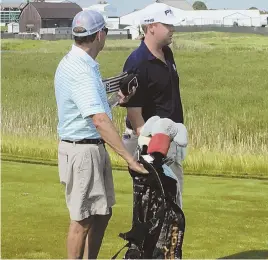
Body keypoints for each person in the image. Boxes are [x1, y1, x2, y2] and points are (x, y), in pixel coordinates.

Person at [54, 10, 147, 259]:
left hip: (87, 147)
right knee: (82, 219)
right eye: (105, 31)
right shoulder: (81, 70)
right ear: (99, 35)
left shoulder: (78, 63)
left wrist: (117, 99)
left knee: (102, 212)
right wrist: (130, 160)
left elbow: (91, 107)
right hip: (83, 150)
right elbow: (99, 120)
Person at [121, 3, 186, 194]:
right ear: (151, 27)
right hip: (152, 144)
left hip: (169, 140)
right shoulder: (137, 62)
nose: (172, 29)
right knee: (156, 202)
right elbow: (134, 113)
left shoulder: (167, 53)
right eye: (167, 25)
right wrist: (151, 149)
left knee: (173, 199)